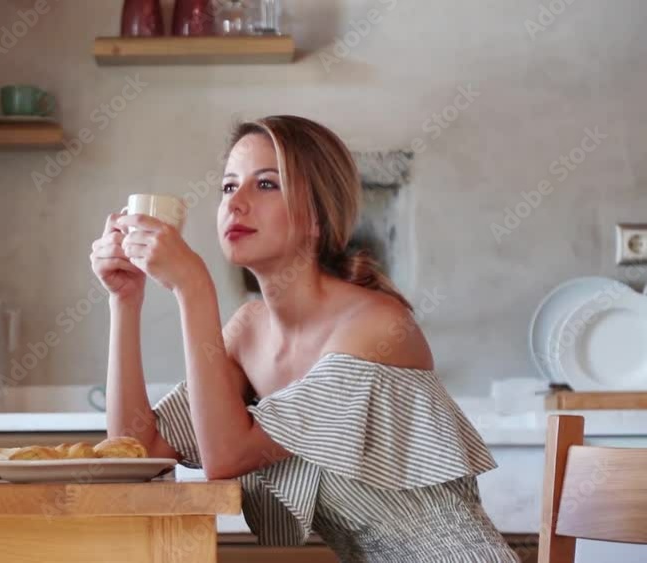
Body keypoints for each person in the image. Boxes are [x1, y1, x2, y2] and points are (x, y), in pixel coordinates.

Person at [89, 115, 519, 562]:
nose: (236, 203)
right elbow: (136, 450)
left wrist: (194, 288)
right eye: (229, 186)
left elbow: (226, 458)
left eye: (266, 184)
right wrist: (125, 300)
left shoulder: (375, 326)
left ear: (316, 216)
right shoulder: (249, 331)